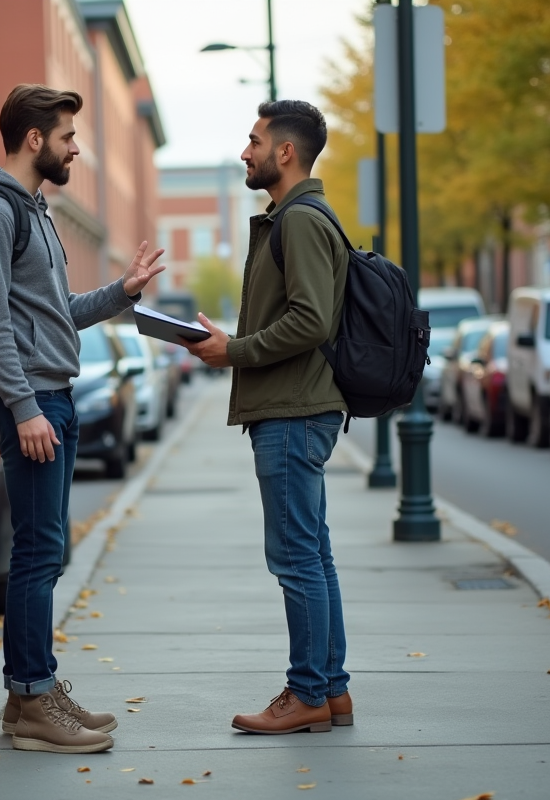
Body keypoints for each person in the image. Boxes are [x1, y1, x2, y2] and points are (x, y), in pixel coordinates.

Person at [0, 83, 165, 754]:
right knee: (38, 555)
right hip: (31, 403)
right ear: (35, 139)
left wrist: (123, 292)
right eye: (68, 137)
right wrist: (23, 410)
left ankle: (27, 698)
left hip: (50, 397)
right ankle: (35, 696)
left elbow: (55, 311)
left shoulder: (32, 211)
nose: (77, 147)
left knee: (48, 551)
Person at [184, 100, 354, 734]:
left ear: (286, 152)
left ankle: (307, 692)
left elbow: (312, 320)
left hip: (294, 411)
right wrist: (226, 340)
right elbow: (291, 314)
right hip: (295, 407)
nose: (245, 152)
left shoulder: (301, 221)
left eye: (254, 141)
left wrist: (234, 352)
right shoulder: (290, 218)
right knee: (314, 555)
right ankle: (331, 691)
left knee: (296, 560)